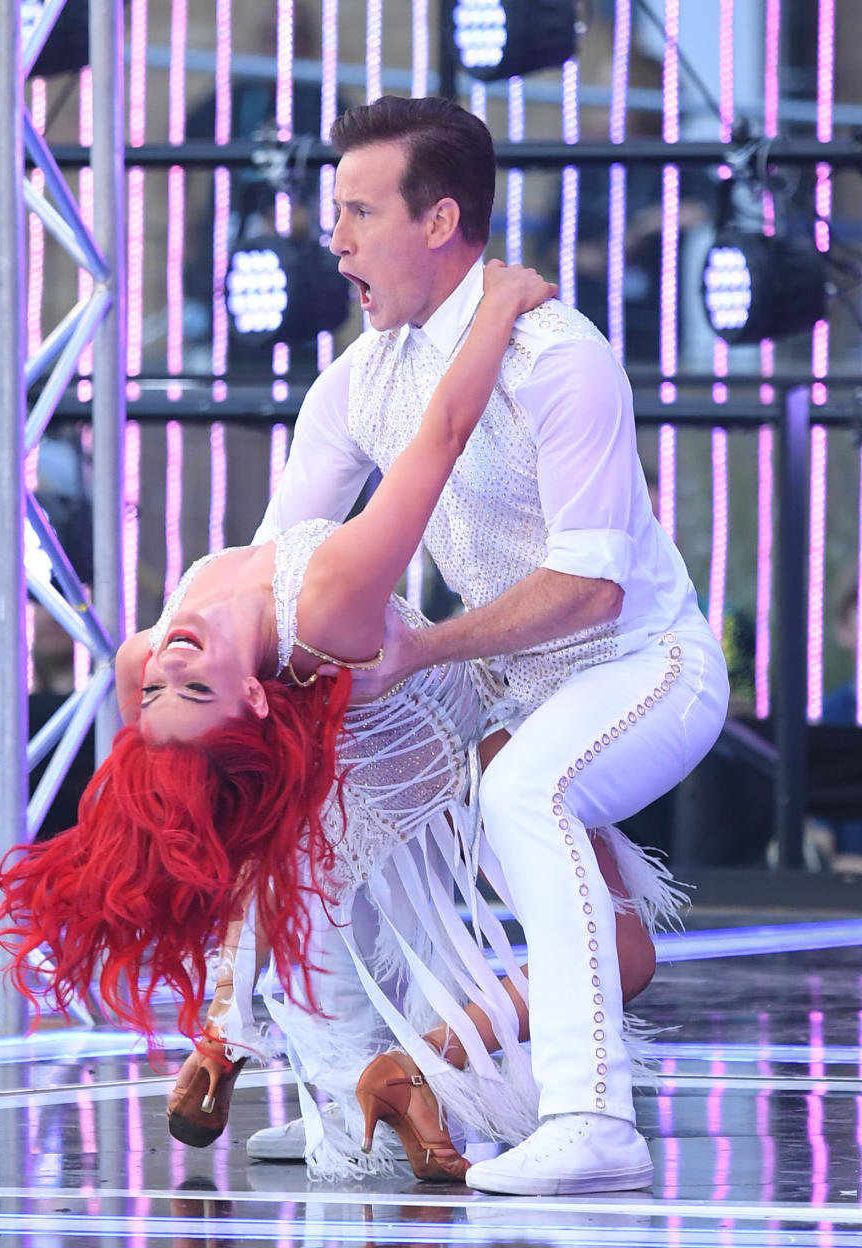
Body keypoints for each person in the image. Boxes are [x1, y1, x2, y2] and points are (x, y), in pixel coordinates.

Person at [0, 262, 665, 1178]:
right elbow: (440, 439)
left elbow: (174, 780)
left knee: (278, 867)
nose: (171, 665)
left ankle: (296, 1063)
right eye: (193, 688)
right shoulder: (333, 602)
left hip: (370, 756)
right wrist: (497, 309)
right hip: (418, 754)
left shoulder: (143, 653)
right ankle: (394, 1075)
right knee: (606, 953)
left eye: (162, 694)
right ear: (256, 697)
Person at [247, 94, 730, 1196]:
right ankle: (357, 1095)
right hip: (510, 696)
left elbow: (595, 587)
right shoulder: (357, 381)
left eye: (358, 213)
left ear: (439, 220)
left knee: (523, 797)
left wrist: (420, 654)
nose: (337, 241)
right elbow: (282, 561)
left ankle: (592, 1121)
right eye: (335, 213)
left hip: (646, 669)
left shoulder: (561, 357)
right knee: (345, 799)